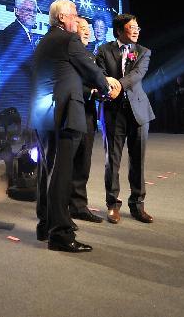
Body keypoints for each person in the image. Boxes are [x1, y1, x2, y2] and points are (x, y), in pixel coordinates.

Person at [30, 0, 118, 253]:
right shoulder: (68, 40)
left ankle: (45, 224)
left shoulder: (44, 41)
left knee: (48, 171)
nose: (77, 19)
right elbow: (90, 70)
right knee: (62, 174)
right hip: (65, 113)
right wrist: (107, 87)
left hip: (44, 114)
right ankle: (60, 233)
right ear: (61, 18)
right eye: (74, 15)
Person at [96, 13, 155, 224]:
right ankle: (112, 204)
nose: (137, 30)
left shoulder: (143, 52)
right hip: (112, 112)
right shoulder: (104, 50)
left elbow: (137, 75)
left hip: (139, 112)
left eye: (138, 26)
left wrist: (117, 85)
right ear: (120, 30)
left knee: (138, 160)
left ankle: (138, 205)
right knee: (112, 160)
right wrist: (106, 83)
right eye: (132, 27)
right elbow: (99, 73)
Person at [69, 17, 103, 224]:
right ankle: (62, 207)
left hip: (88, 114)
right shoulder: (69, 54)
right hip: (71, 113)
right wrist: (91, 91)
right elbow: (68, 83)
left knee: (84, 162)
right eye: (83, 28)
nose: (87, 32)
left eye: (88, 29)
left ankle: (79, 206)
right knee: (68, 163)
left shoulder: (90, 56)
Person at [0, 0, 38, 133]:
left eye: (34, 11)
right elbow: (31, 63)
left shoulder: (26, 33)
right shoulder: (13, 32)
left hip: (21, 100)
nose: (32, 14)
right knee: (12, 148)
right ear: (17, 11)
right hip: (13, 101)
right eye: (28, 10)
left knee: (22, 146)